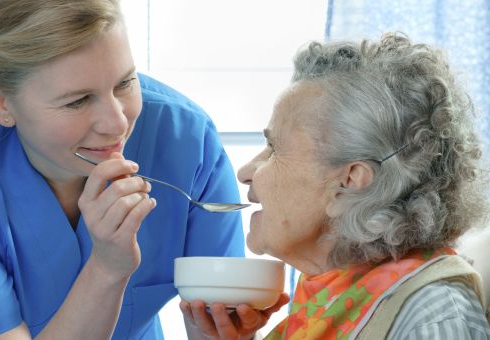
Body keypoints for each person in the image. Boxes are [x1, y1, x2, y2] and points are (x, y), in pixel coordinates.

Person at [0, 0, 250, 339]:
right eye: (77, 101)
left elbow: (217, 315)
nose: (117, 123)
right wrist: (108, 267)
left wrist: (227, 327)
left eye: (125, 82)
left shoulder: (187, 142)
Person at [180, 33, 490, 339]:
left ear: (349, 182)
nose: (246, 172)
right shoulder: (329, 299)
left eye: (274, 148)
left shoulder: (432, 317)